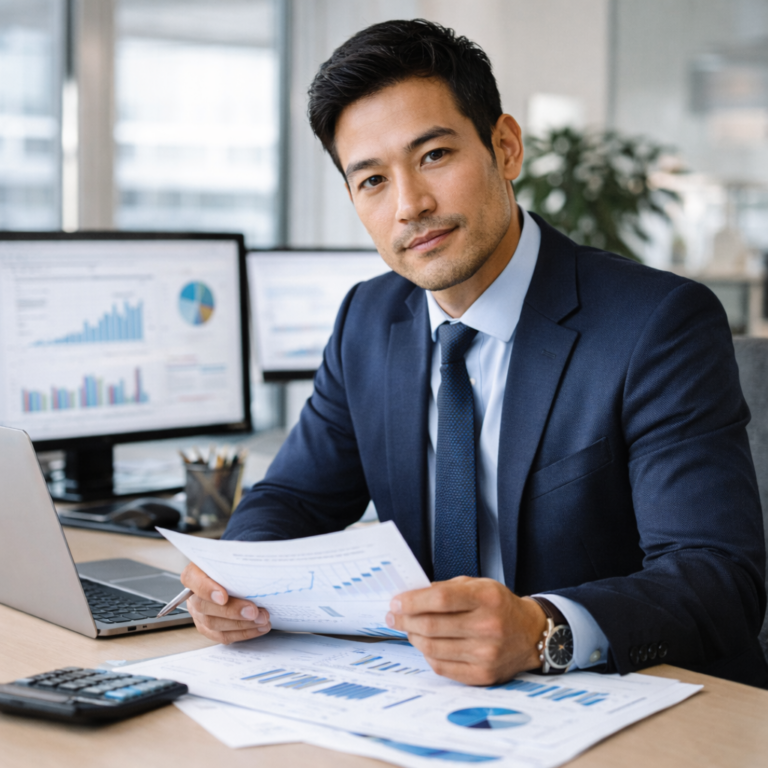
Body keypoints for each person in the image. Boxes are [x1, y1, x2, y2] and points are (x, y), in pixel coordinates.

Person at [181, 19, 767, 687]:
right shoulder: (367, 321)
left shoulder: (656, 325)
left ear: (506, 147)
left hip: (640, 704)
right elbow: (294, 498)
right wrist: (231, 579)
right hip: (436, 705)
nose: (410, 205)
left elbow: (720, 577)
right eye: (372, 181)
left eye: (433, 156)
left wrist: (543, 629)